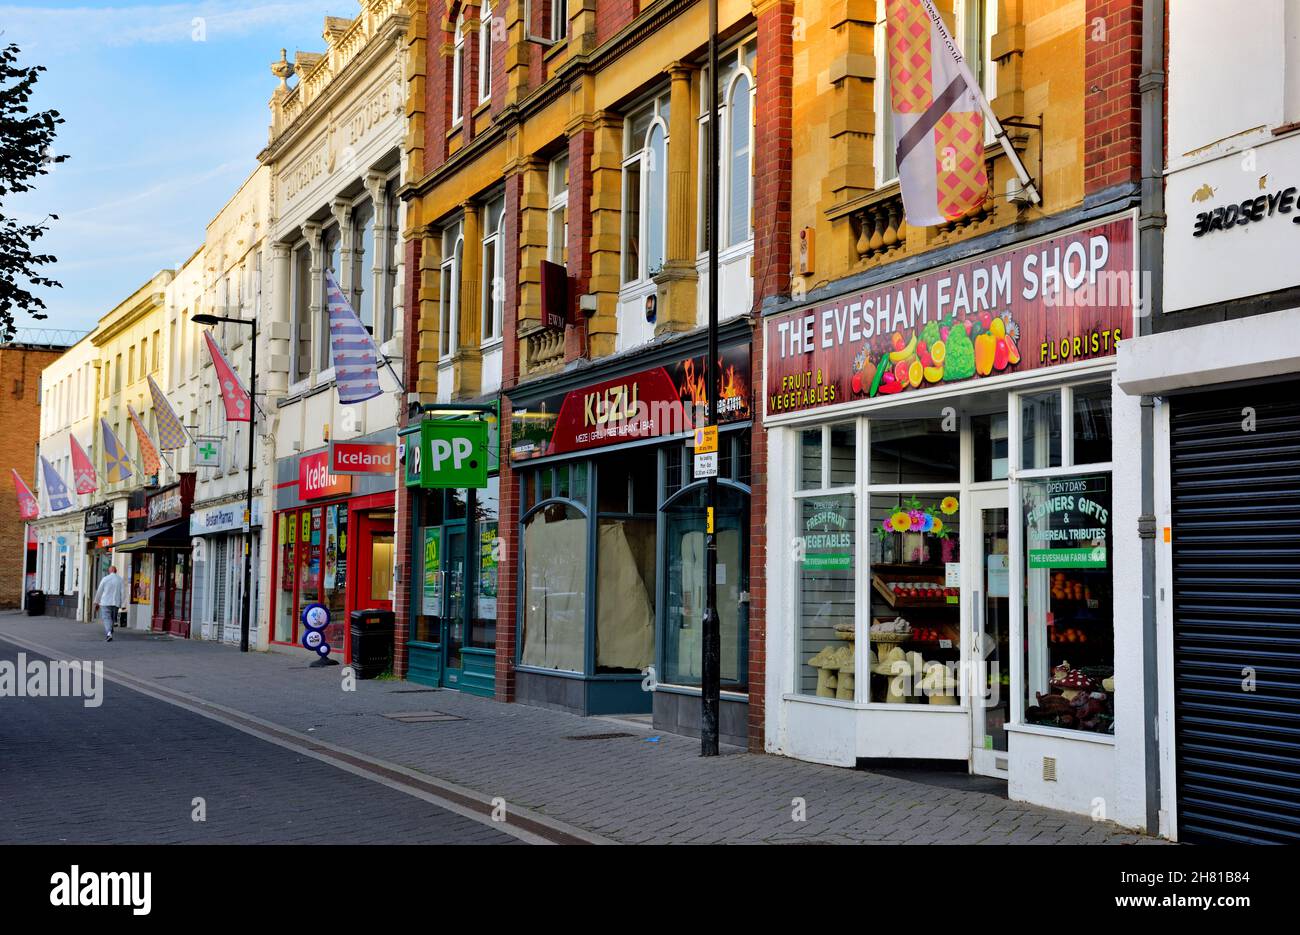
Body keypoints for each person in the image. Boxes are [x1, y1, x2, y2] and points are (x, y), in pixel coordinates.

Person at [93, 565, 126, 642]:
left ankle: (109, 633)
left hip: (105, 602)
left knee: (107, 618)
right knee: (112, 619)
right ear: (116, 571)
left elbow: (99, 591)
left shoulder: (105, 579)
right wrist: (123, 604)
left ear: (109, 571)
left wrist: (96, 602)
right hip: (115, 603)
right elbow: (123, 592)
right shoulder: (120, 579)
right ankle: (110, 631)